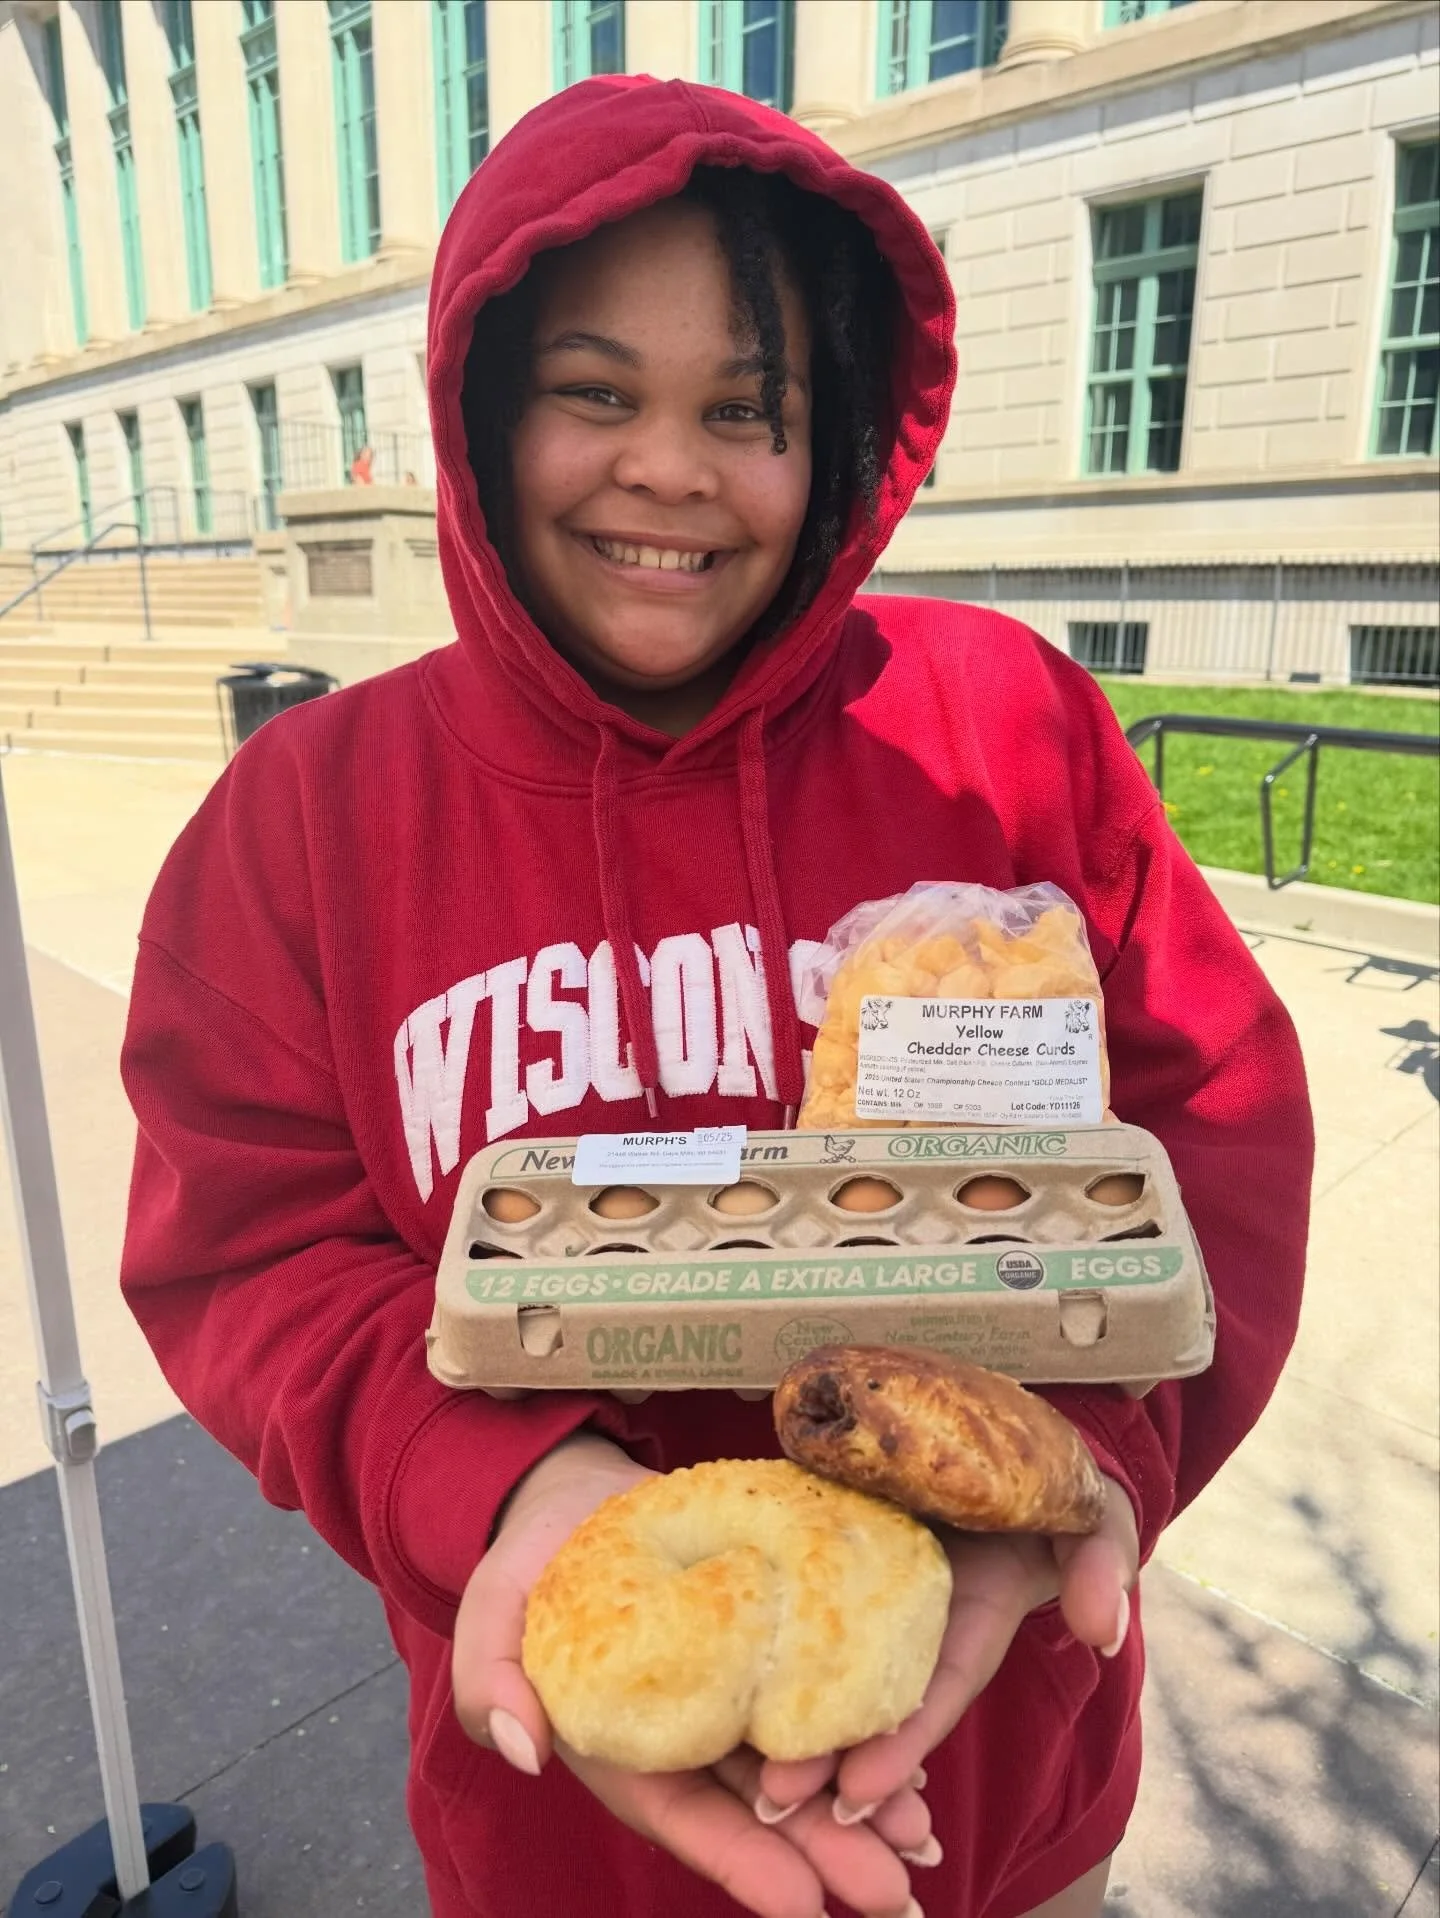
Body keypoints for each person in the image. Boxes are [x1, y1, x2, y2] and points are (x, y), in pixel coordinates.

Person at [119, 76, 1312, 1918]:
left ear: (825, 442)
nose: (668, 469)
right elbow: (249, 1254)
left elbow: (1209, 1132)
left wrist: (1091, 1458)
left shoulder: (998, 728)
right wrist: (493, 1479)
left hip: (988, 1799)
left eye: (742, 410)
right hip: (561, 1823)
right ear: (484, 408)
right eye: (597, 391)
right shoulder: (305, 823)